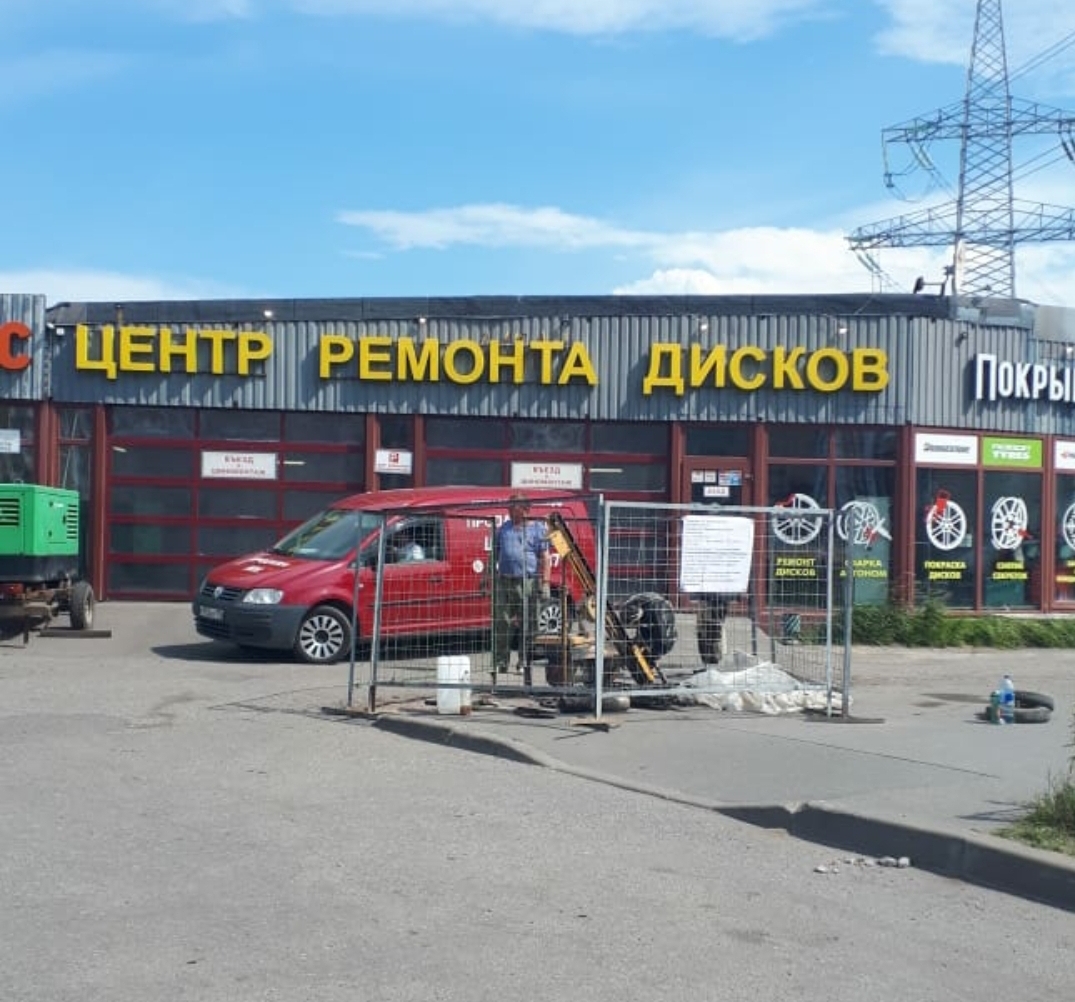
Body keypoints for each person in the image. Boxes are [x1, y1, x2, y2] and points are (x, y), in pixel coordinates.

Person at [492, 494, 551, 684]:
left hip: (528, 582)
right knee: (502, 622)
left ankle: (524, 661)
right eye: (509, 507)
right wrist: (486, 576)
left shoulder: (538, 529)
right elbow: (494, 554)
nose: (509, 510)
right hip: (505, 580)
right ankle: (500, 662)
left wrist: (546, 582)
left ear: (525, 509)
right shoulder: (504, 528)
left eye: (513, 507)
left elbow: (546, 557)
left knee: (528, 623)